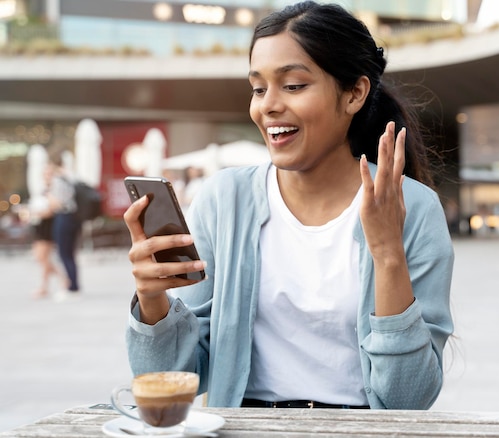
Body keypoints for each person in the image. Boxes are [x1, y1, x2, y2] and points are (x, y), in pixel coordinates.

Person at [123, 1, 454, 410]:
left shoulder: (414, 209)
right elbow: (176, 377)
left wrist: (388, 255)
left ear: (354, 93)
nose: (268, 105)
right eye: (258, 88)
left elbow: (408, 400)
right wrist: (152, 301)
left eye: (293, 86)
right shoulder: (224, 200)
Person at [29, 164, 66, 298]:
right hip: (40, 226)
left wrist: (35, 213)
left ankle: (46, 286)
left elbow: (53, 209)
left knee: (43, 257)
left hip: (48, 226)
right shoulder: (43, 190)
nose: (47, 177)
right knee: (41, 258)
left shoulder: (56, 190)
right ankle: (62, 280)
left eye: (50, 174)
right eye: (45, 174)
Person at [47, 160, 82, 299]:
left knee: (64, 254)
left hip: (64, 217)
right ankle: (74, 285)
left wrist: (48, 195)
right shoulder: (69, 179)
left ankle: (72, 287)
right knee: (70, 254)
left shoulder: (57, 181)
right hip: (73, 218)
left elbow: (57, 204)